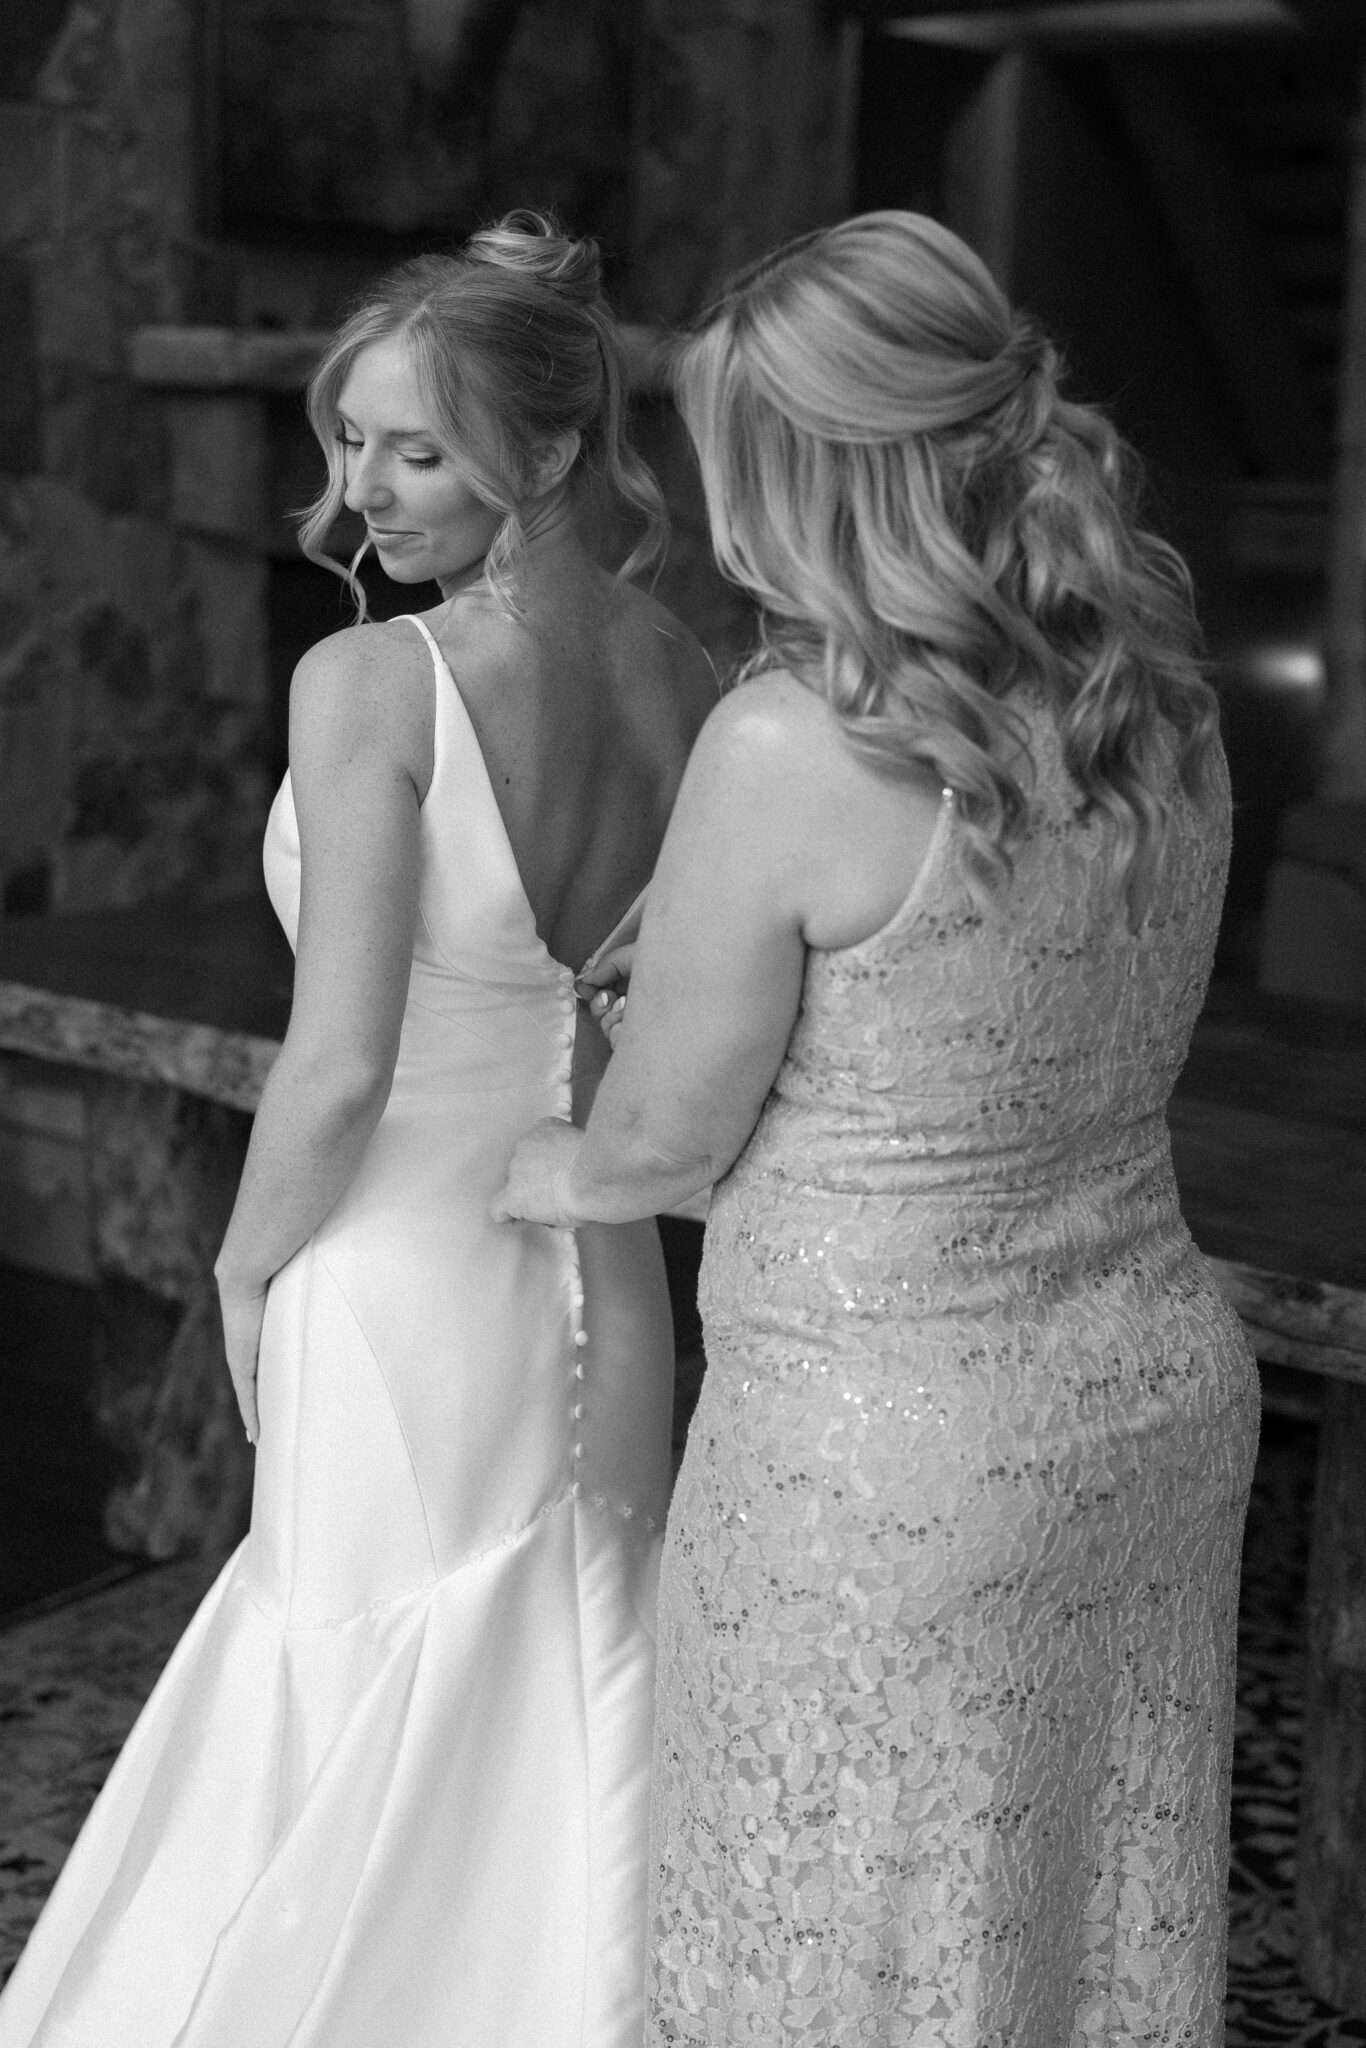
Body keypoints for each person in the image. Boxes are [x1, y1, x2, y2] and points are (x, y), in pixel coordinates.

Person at [497, 210, 1259, 2045]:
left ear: (806, 471)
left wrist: (534, 1164)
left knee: (823, 1947)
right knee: (1071, 1948)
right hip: (1148, 1409)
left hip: (884, 1471)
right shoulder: (1157, 698)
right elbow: (1013, 1018)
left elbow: (662, 1150)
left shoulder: (789, 742)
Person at [0, 212, 715, 2048]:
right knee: (566, 1679)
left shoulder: (371, 683)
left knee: (351, 1673)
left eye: (414, 445)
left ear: (547, 450)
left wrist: (245, 1274)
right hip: (603, 1271)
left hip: (392, 1264)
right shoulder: (686, 677)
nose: (362, 488)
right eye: (348, 437)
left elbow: (335, 1068)